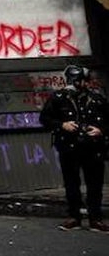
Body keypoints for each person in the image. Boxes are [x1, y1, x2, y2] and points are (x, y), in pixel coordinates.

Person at [39, 65, 108, 231]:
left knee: (95, 184)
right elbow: (45, 118)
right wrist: (62, 125)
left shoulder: (97, 98)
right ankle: (74, 217)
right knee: (71, 183)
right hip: (69, 147)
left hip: (93, 147)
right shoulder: (59, 98)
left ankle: (95, 218)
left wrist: (101, 130)